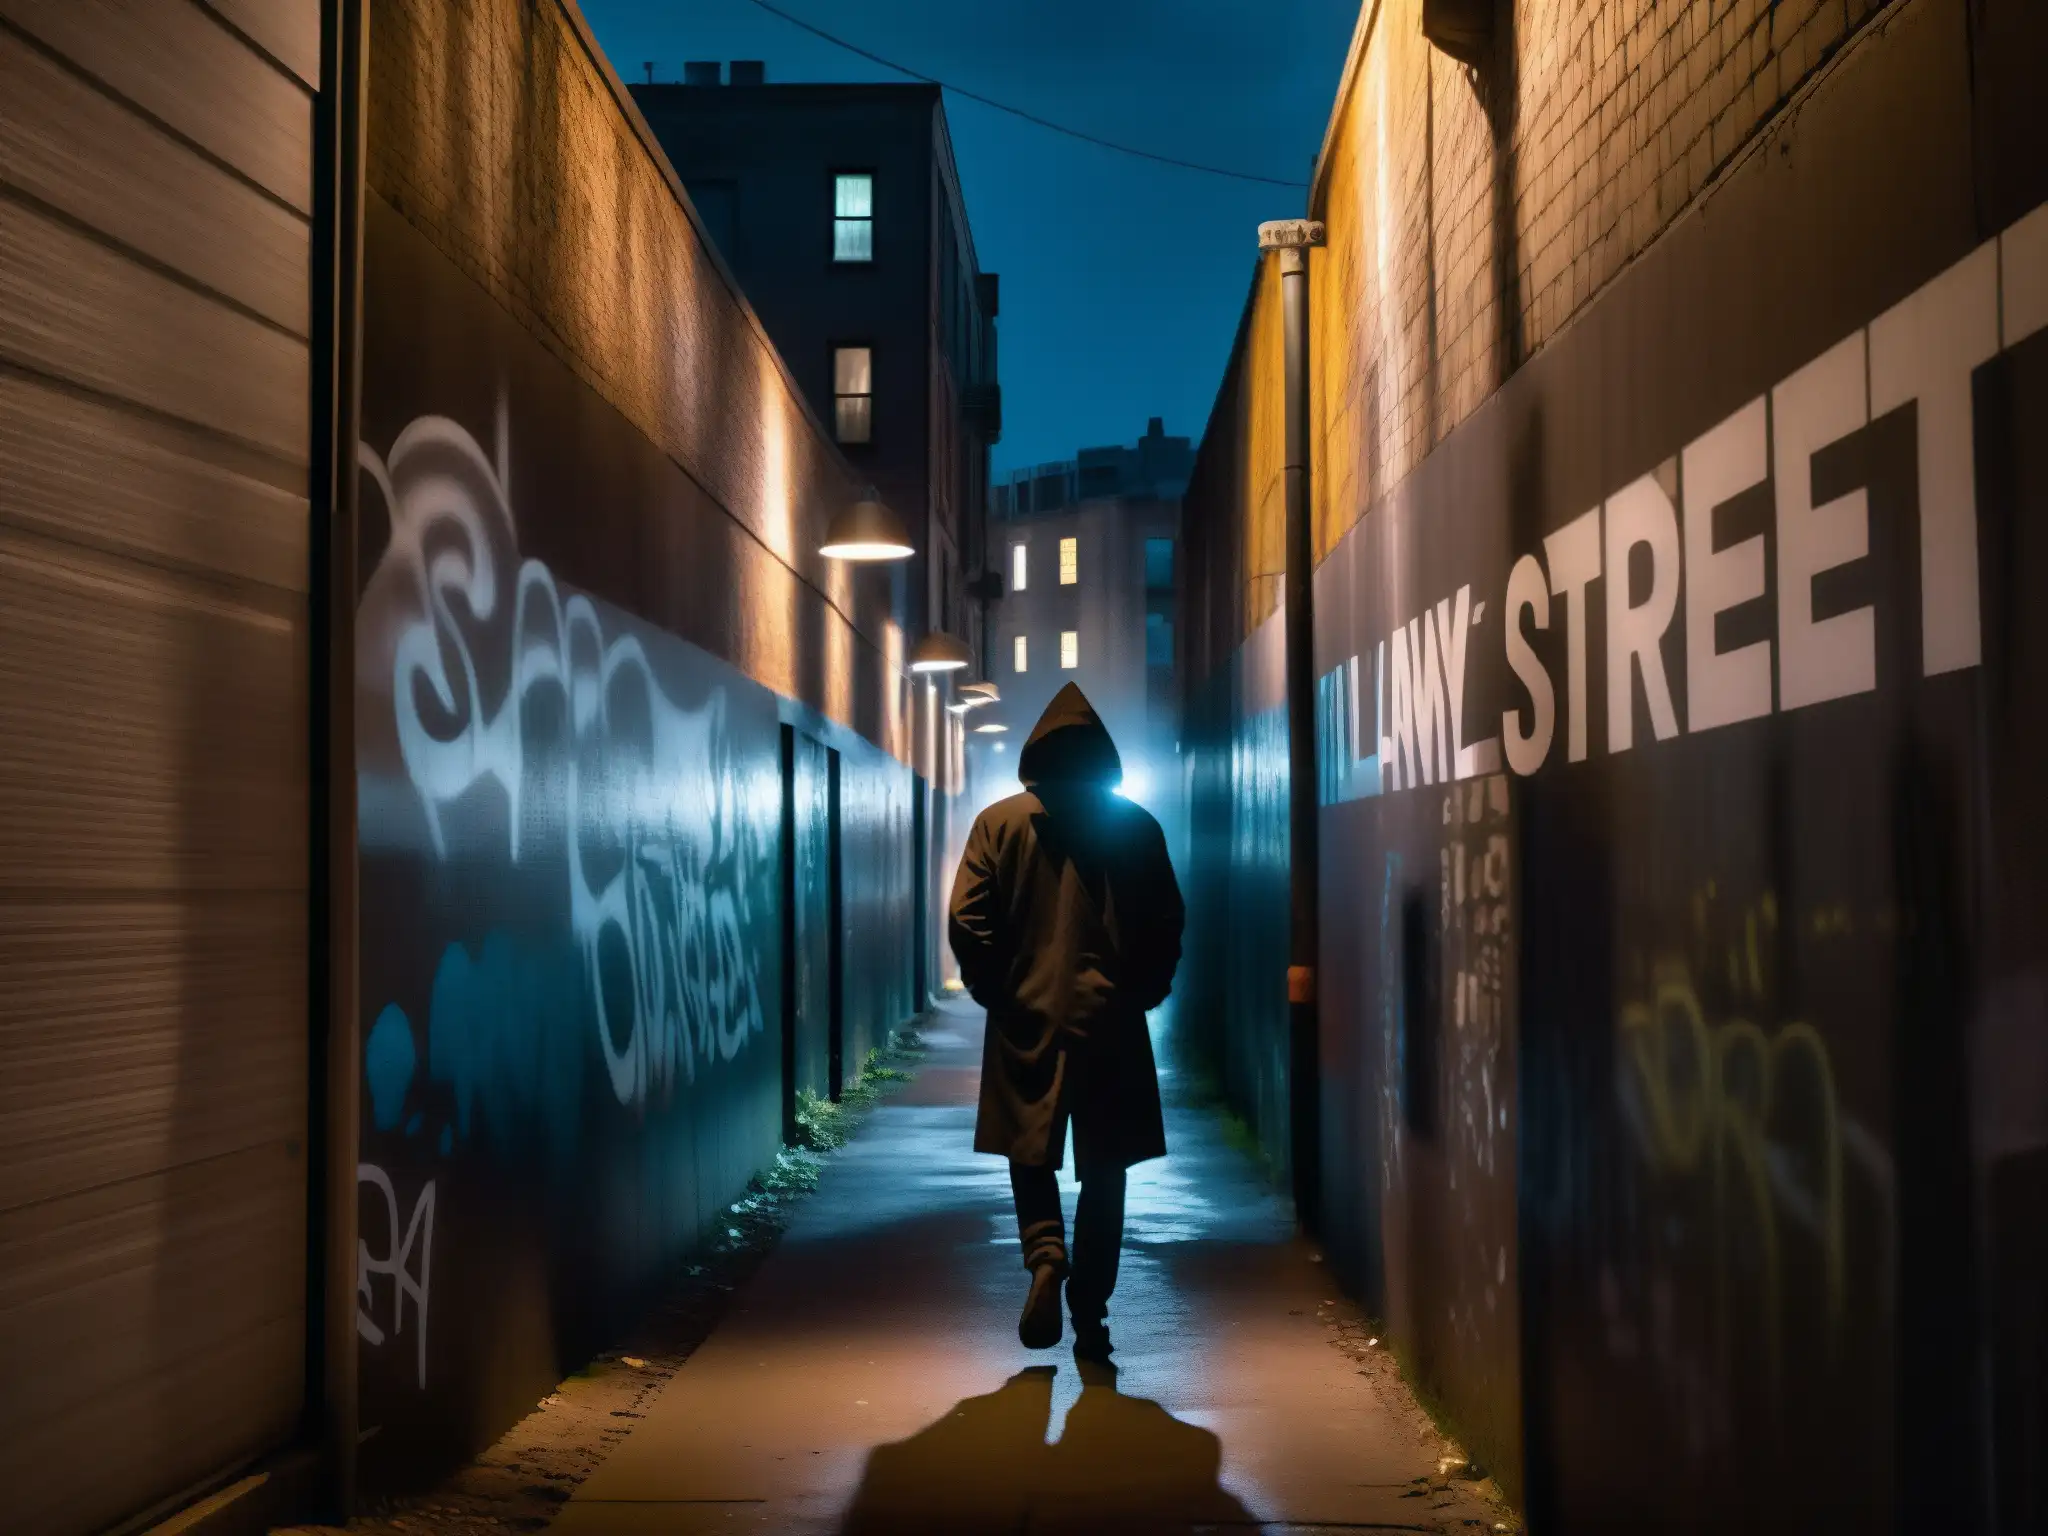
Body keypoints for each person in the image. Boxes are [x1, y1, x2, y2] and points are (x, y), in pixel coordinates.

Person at [948, 683, 1185, 1363]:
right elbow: (1167, 921)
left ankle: (1046, 1255)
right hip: (1110, 1018)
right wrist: (1142, 991)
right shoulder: (1135, 826)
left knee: (1030, 1146)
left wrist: (1000, 989)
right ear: (1102, 756)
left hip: (1028, 1012)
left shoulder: (999, 823)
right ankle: (1091, 1306)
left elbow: (968, 918)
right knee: (1108, 1166)